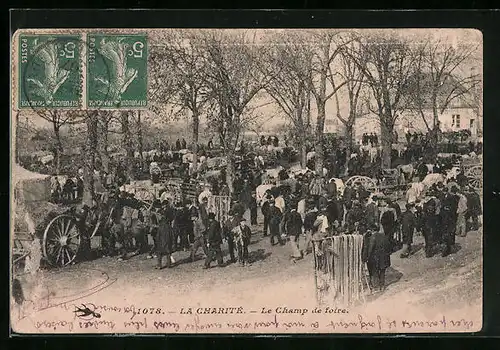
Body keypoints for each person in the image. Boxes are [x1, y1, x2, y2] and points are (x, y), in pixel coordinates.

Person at [362, 224, 391, 292]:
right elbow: (389, 246)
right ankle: (382, 286)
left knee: (375, 272)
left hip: (376, 258)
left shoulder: (373, 237)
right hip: (384, 257)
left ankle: (376, 287)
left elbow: (370, 248)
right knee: (382, 271)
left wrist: (368, 257)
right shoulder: (384, 236)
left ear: (372, 230)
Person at [155, 201, 176, 269]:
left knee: (160, 249)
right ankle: (169, 264)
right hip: (168, 230)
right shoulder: (170, 212)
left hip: (162, 232)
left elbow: (160, 219)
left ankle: (159, 265)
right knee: (168, 248)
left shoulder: (163, 214)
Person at [441, 185, 459, 257]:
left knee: (449, 233)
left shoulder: (451, 198)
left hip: (449, 219)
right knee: (448, 234)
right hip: (447, 220)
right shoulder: (443, 197)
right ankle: (450, 247)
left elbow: (454, 207)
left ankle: (449, 247)